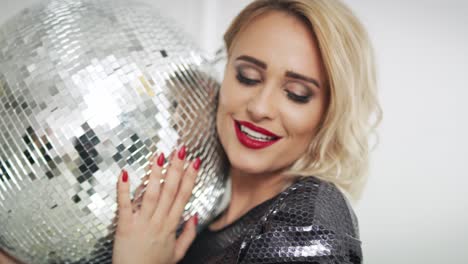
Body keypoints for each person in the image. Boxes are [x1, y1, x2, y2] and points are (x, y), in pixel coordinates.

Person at [112, 0, 381, 263]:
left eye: (296, 94)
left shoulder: (307, 222)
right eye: (247, 76)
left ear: (330, 113)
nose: (260, 107)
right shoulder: (195, 222)